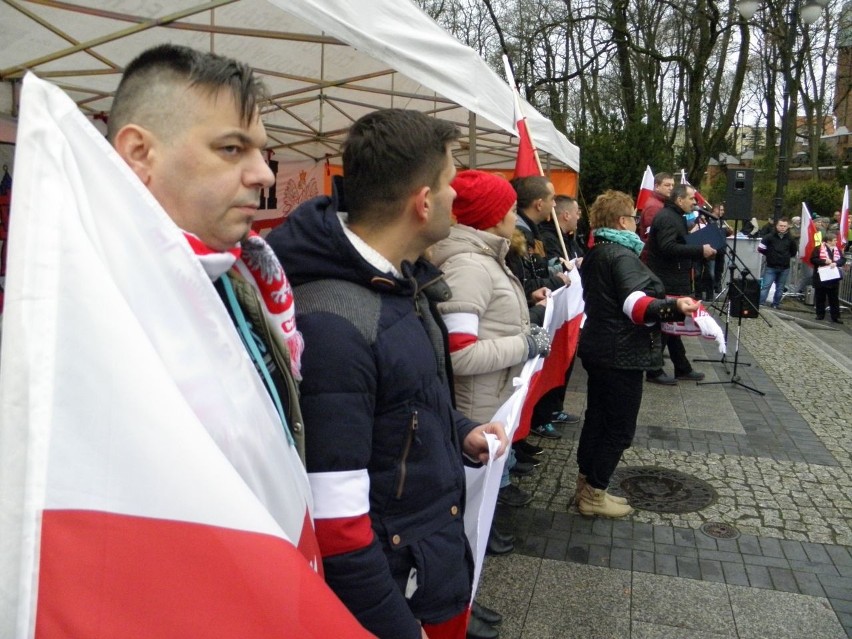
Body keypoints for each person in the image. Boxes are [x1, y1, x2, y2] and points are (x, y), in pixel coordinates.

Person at [267, 109, 509, 639]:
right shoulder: (336, 323)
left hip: (422, 565)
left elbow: (404, 402)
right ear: (422, 202)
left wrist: (459, 426)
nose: (456, 198)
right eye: (450, 183)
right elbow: (336, 527)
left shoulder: (401, 282)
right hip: (393, 599)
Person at [108, 44, 306, 454]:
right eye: (231, 148)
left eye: (261, 151)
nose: (265, 175)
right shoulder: (96, 301)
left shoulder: (244, 274)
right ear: (139, 154)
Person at [429, 169, 549, 638]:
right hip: (475, 409)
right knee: (462, 514)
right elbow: (460, 353)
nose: (513, 215)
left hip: (489, 404)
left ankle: (463, 597)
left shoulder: (484, 259)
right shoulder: (469, 266)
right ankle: (457, 604)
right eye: (506, 207)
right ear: (491, 216)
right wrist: (525, 344)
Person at [576, 190, 699, 517]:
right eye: (633, 217)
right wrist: (674, 306)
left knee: (597, 419)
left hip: (600, 346)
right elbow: (634, 304)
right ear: (621, 221)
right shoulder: (621, 255)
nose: (638, 223)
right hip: (621, 353)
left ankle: (587, 483)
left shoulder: (598, 251)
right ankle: (595, 493)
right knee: (618, 429)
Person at [508, 177, 574, 438]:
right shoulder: (520, 234)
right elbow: (521, 282)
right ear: (538, 203)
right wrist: (554, 279)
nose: (554, 204)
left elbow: (526, 279)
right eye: (551, 198)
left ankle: (520, 439)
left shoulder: (530, 232)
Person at [643, 183, 715, 385]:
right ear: (679, 199)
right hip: (666, 280)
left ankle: (682, 367)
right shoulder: (667, 217)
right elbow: (667, 247)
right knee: (665, 326)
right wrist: (699, 250)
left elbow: (679, 243)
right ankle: (653, 370)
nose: (695, 202)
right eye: (692, 198)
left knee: (672, 327)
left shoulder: (677, 217)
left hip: (675, 278)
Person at [757, 217, 798, 308]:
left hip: (784, 267)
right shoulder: (769, 237)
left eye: (784, 226)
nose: (782, 227)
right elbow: (760, 248)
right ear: (776, 226)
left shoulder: (790, 239)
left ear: (788, 227)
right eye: (780, 225)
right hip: (771, 266)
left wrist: (785, 257)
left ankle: (776, 304)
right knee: (766, 286)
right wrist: (770, 254)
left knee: (780, 288)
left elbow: (793, 252)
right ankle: (760, 304)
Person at [810, 232, 847, 323]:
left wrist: (836, 263)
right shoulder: (818, 248)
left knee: (834, 298)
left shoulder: (837, 249)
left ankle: (836, 316)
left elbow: (842, 259)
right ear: (828, 241)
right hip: (821, 276)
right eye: (834, 240)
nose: (836, 242)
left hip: (833, 277)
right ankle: (820, 314)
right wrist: (824, 261)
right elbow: (813, 259)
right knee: (820, 297)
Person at [638, 172, 675, 241]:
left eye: (673, 185)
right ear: (657, 187)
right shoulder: (653, 207)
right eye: (667, 185)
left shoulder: (662, 203)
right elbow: (652, 236)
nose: (671, 188)